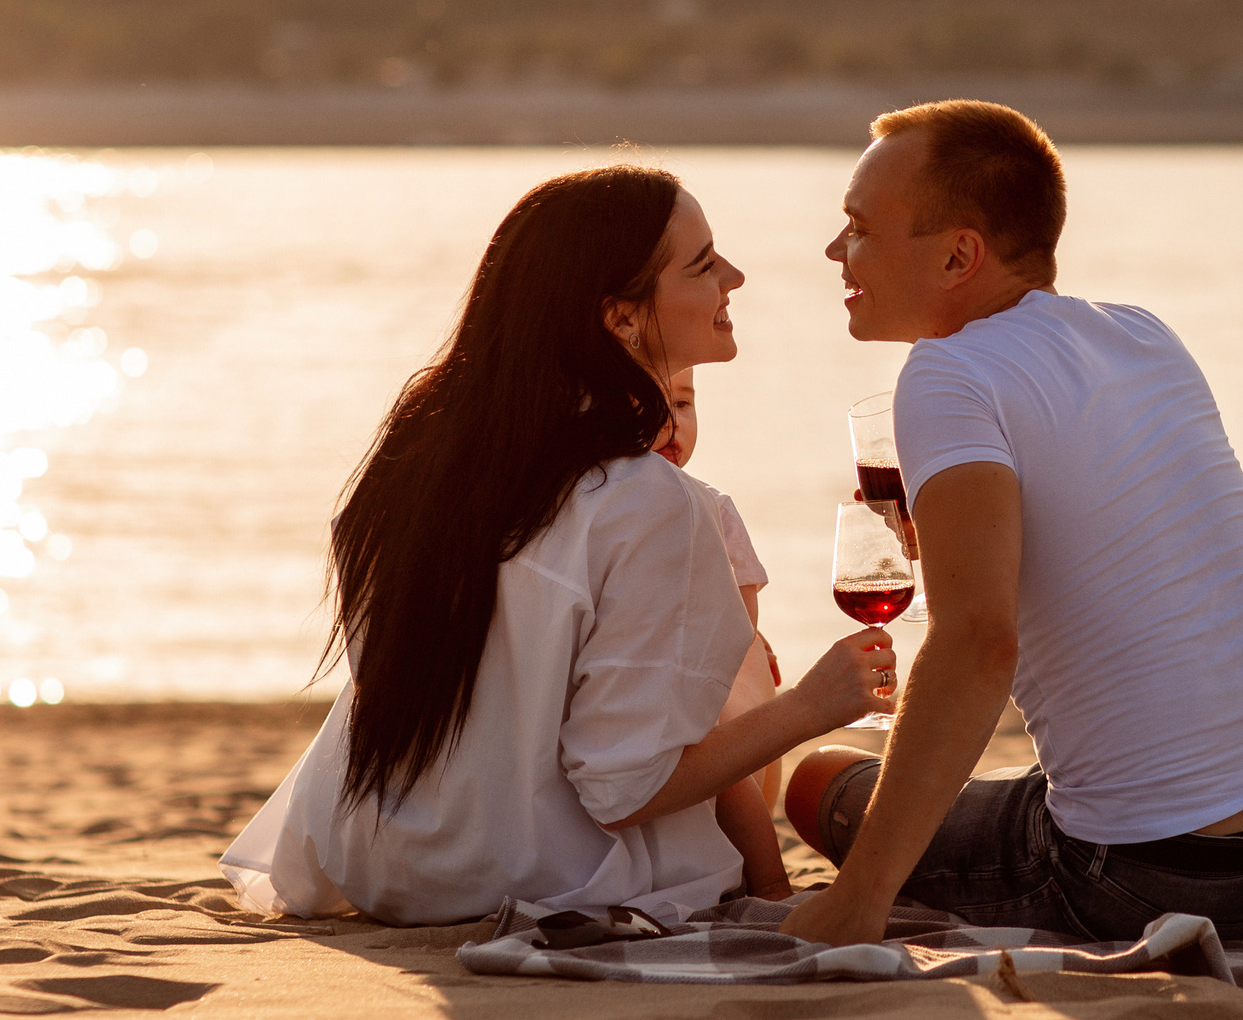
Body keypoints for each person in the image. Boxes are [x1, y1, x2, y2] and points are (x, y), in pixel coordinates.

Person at [221, 165, 891, 926]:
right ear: (621, 319)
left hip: (378, 858)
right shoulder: (649, 500)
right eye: (703, 265)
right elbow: (623, 789)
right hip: (528, 874)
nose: (733, 277)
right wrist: (811, 706)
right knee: (742, 679)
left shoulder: (418, 460)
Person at [779, 101, 1243, 947]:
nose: (837, 250)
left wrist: (860, 898)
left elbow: (978, 643)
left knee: (819, 783)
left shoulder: (947, 373)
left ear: (958, 255)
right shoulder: (1144, 336)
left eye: (861, 228)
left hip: (1158, 871)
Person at [652, 366, 791, 899]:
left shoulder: (710, 506)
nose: (672, 423)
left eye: (683, 405)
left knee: (731, 763)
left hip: (700, 673)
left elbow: (743, 606)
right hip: (651, 679)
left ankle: (771, 883)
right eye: (652, 405)